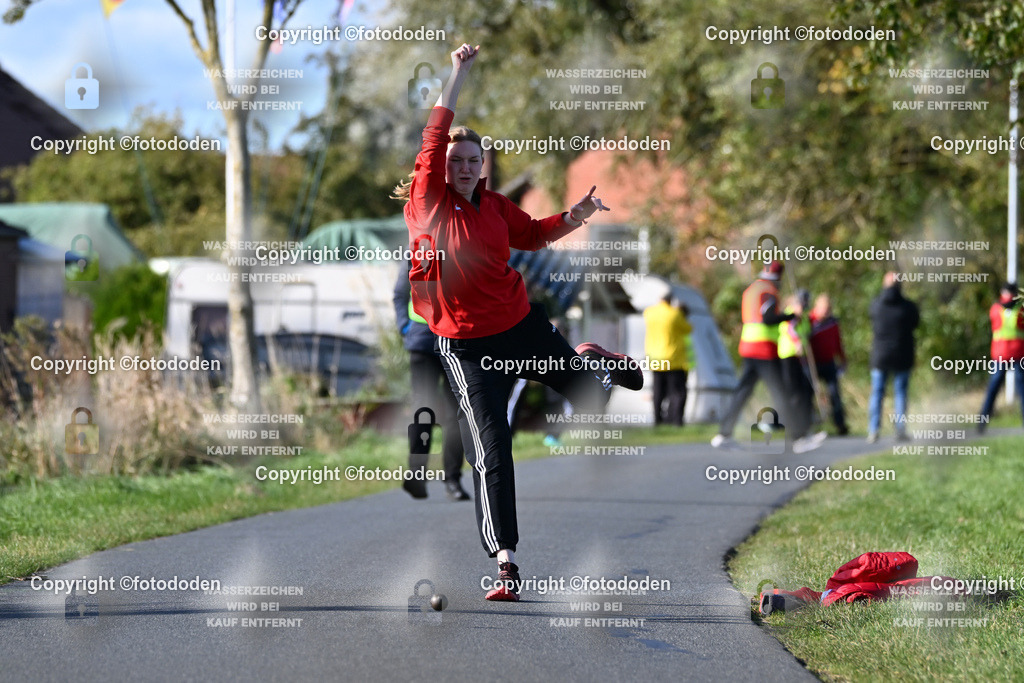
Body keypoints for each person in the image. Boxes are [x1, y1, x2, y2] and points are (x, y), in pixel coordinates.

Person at [394, 43, 643, 602]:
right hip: (465, 346)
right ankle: (505, 561)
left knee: (588, 403)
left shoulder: (496, 207)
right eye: (457, 162)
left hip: (520, 326)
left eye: (473, 162)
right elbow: (436, 130)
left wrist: (575, 216)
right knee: (492, 447)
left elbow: (533, 236)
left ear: (483, 167)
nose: (464, 168)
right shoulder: (428, 200)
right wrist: (457, 73)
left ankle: (591, 367)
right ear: (440, 169)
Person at [711, 261, 824, 453]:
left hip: (748, 346)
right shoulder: (769, 291)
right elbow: (768, 318)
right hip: (763, 349)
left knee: (742, 392)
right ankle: (798, 438)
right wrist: (790, 316)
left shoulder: (751, 289)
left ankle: (724, 434)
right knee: (781, 393)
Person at [393, 260, 471, 501]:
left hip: (455, 345)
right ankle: (416, 476)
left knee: (455, 414)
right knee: (422, 411)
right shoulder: (414, 253)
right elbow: (399, 294)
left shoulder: (461, 253)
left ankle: (452, 480)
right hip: (422, 344)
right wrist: (404, 327)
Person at [867, 272, 920, 443]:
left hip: (880, 356)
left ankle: (873, 430)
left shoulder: (876, 305)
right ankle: (900, 430)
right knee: (900, 393)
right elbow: (915, 323)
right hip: (902, 355)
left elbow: (872, 319)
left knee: (877, 393)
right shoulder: (908, 307)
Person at [978, 282, 1024, 432]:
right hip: (1018, 353)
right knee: (1022, 389)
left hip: (1000, 354)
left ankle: (982, 422)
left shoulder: (995, 308)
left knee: (993, 388)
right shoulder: (1021, 308)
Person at [643, 292, 692, 426]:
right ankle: (676, 422)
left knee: (657, 392)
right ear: (671, 300)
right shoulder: (675, 314)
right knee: (677, 392)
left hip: (655, 359)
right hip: (672, 359)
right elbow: (688, 329)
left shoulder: (649, 312)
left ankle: (657, 421)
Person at [808, 294, 849, 435]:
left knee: (834, 393)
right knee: (809, 393)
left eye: (829, 309)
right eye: (824, 309)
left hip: (829, 363)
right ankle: (810, 424)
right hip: (812, 363)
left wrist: (843, 359)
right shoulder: (809, 321)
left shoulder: (833, 323)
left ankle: (840, 424)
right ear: (816, 307)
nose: (827, 312)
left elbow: (838, 342)